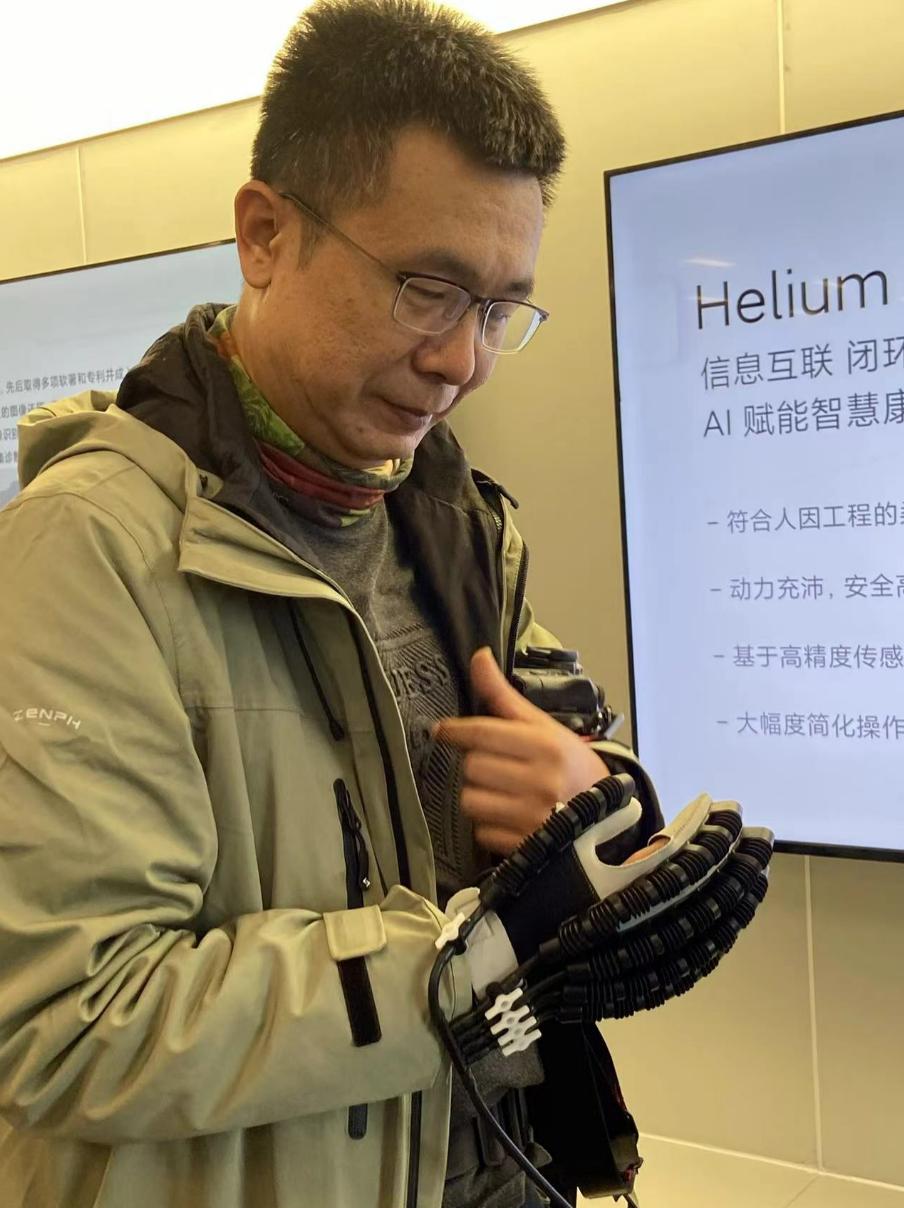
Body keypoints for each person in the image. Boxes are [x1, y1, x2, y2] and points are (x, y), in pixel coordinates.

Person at [0, 2, 663, 1205]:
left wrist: (605, 804)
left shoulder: (454, 522)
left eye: (499, 308)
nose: (461, 359)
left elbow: (562, 739)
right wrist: (464, 966)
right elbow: (68, 1018)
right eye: (428, 288)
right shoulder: (87, 551)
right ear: (265, 233)